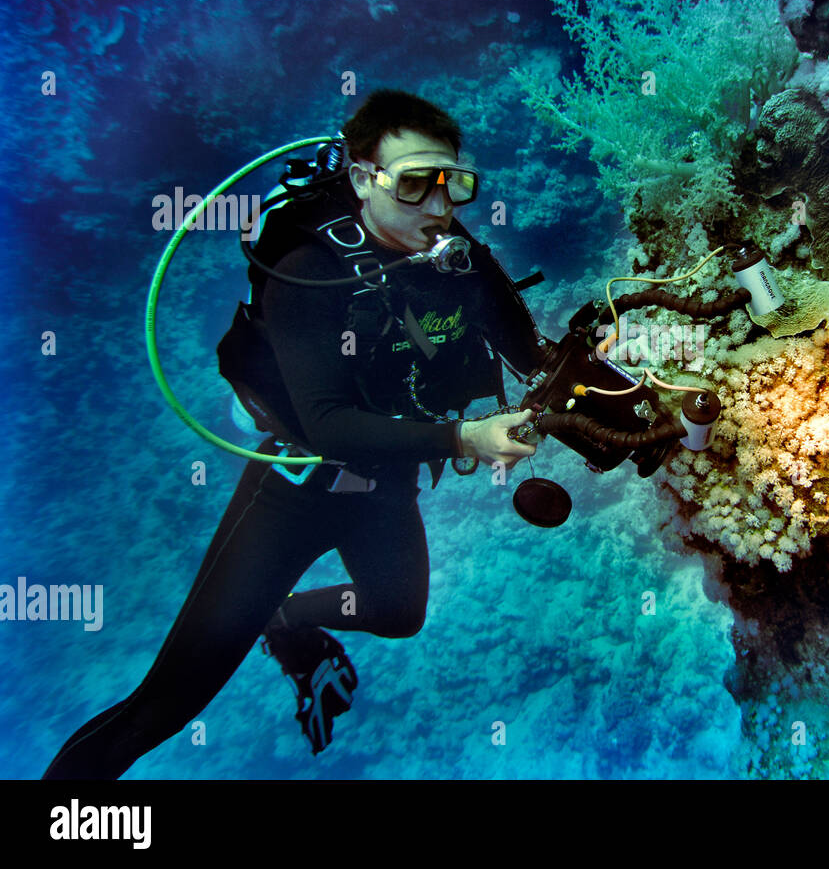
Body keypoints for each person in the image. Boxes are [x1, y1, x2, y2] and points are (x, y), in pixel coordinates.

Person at [44, 90, 546, 779]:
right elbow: (330, 425)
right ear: (364, 177)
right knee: (164, 707)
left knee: (398, 613)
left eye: (454, 184)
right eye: (413, 184)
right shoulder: (308, 269)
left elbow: (535, 355)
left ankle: (282, 619)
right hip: (296, 484)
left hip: (387, 482)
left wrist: (616, 361)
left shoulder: (451, 251)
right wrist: (466, 438)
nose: (438, 207)